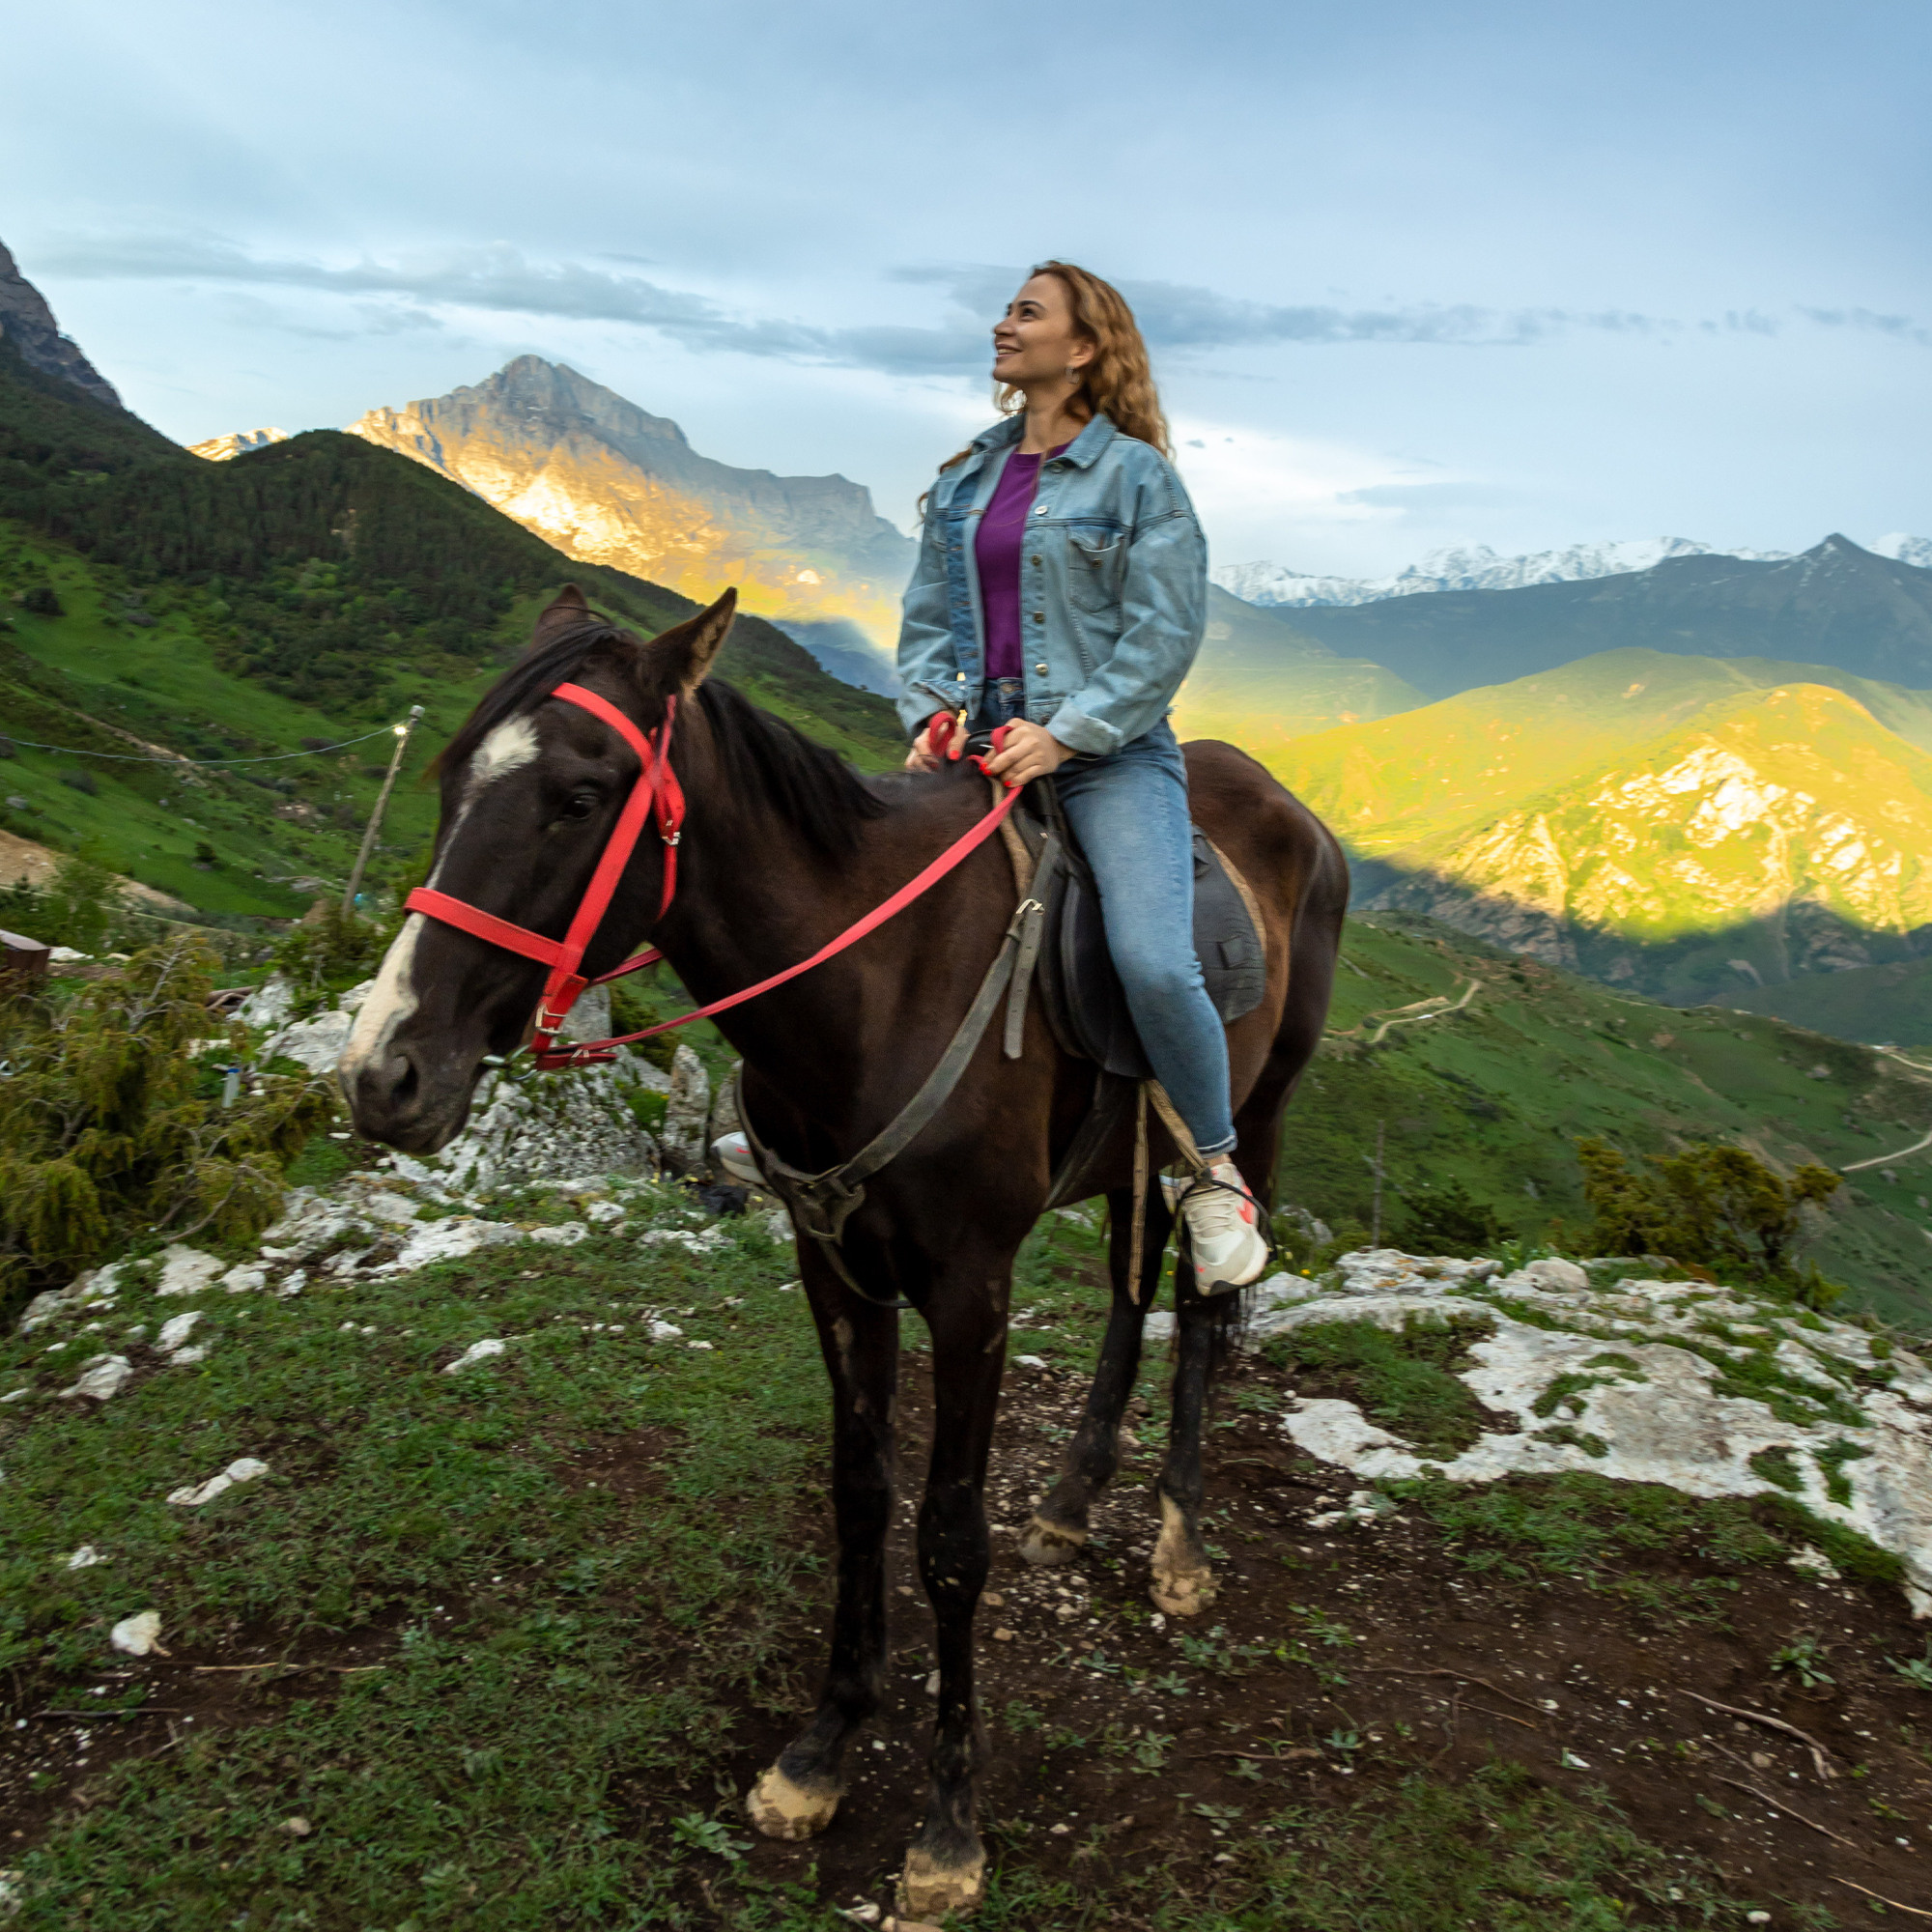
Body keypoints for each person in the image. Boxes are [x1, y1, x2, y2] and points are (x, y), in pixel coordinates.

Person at [895, 260, 1268, 1293]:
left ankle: (1209, 1169)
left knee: (1151, 958)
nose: (1001, 325)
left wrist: (1065, 736)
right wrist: (929, 710)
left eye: (1026, 312)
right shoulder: (968, 474)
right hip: (978, 742)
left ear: (1084, 346)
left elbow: (1162, 635)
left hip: (1109, 753)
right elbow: (927, 617)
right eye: (1007, 310)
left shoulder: (1138, 478)